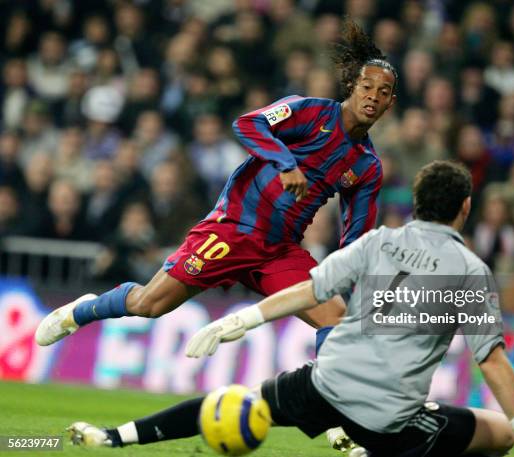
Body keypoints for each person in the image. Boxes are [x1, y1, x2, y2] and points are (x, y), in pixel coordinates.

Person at [35, 21, 397, 447]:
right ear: (351, 86)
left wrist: (357, 286)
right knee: (149, 305)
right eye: (367, 87)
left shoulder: (366, 166)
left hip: (279, 252)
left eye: (384, 91)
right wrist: (286, 163)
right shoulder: (310, 112)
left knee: (335, 318)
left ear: (392, 101)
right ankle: (81, 311)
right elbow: (247, 125)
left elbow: (354, 238)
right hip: (232, 230)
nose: (373, 97)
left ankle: (333, 413)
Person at [66, 161, 514, 457]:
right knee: (496, 437)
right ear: (466, 208)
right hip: (389, 419)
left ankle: (113, 438)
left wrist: (242, 318)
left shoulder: (377, 243)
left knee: (237, 400)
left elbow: (312, 290)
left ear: (414, 203)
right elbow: (491, 359)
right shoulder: (470, 272)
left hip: (325, 387)